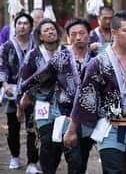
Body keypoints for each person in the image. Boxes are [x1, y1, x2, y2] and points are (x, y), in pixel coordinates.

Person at [64, 11, 126, 174]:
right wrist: (72, 130)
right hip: (110, 129)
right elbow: (84, 97)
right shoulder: (98, 63)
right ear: (114, 33)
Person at [20, 18, 97, 174]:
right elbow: (40, 77)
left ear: (89, 35)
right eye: (73, 34)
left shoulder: (98, 58)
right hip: (65, 114)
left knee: (82, 157)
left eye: (82, 33)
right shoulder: (61, 58)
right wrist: (24, 91)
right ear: (68, 37)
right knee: (72, 158)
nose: (78, 37)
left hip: (89, 116)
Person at [17, 18, 66, 174]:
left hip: (63, 105)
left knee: (58, 143)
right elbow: (24, 79)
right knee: (46, 140)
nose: (50, 32)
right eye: (46, 30)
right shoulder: (33, 55)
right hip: (42, 105)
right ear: (40, 36)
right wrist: (21, 103)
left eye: (52, 29)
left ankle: (51, 168)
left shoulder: (66, 52)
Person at [0, 12, 41, 173]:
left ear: (31, 27)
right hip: (12, 91)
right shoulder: (7, 46)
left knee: (32, 128)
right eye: (19, 23)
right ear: (15, 26)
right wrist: (4, 84)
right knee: (13, 127)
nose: (22, 26)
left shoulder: (37, 46)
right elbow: (2, 66)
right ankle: (14, 156)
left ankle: (32, 162)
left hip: (33, 92)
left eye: (26, 23)